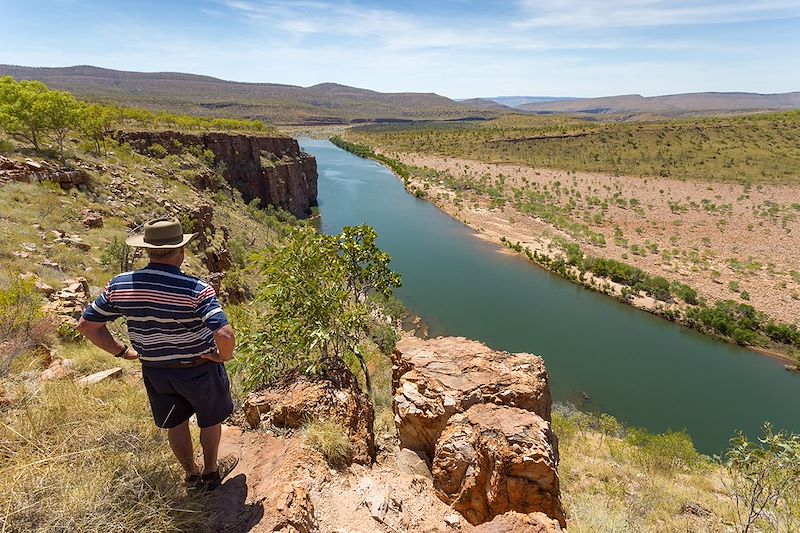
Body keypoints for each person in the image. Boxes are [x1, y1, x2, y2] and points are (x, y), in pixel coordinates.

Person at [77, 217, 238, 491]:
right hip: (198, 368)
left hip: (156, 371)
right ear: (181, 251)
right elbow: (224, 334)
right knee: (210, 419)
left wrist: (121, 352)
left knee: (175, 422)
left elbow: (87, 325)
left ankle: (191, 474)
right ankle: (211, 471)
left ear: (148, 250)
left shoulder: (120, 284)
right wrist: (222, 356)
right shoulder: (196, 289)